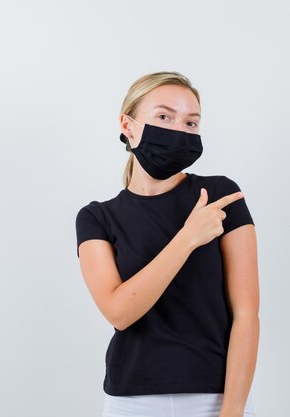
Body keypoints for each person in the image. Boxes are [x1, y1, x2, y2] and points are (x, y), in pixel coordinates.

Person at [75, 71, 259, 417]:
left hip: (217, 397)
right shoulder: (97, 218)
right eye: (164, 117)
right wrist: (188, 238)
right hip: (132, 401)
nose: (178, 130)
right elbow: (120, 313)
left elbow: (246, 314)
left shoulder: (220, 196)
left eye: (191, 123)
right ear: (127, 126)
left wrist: (232, 412)